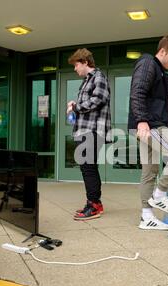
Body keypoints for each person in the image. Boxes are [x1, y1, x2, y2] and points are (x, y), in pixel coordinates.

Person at [128, 35, 168, 230]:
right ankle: (160, 194)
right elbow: (137, 91)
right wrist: (142, 121)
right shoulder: (148, 63)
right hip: (150, 125)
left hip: (149, 126)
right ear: (162, 51)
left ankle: (146, 216)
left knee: (149, 172)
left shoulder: (161, 73)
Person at [67, 48, 111, 221]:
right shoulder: (87, 81)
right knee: (88, 167)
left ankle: (94, 204)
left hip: (93, 130)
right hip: (85, 129)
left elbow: (98, 99)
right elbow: (89, 102)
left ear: (85, 62)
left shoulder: (98, 77)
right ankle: (93, 202)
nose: (75, 68)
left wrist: (77, 106)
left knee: (88, 167)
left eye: (76, 64)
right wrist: (75, 105)